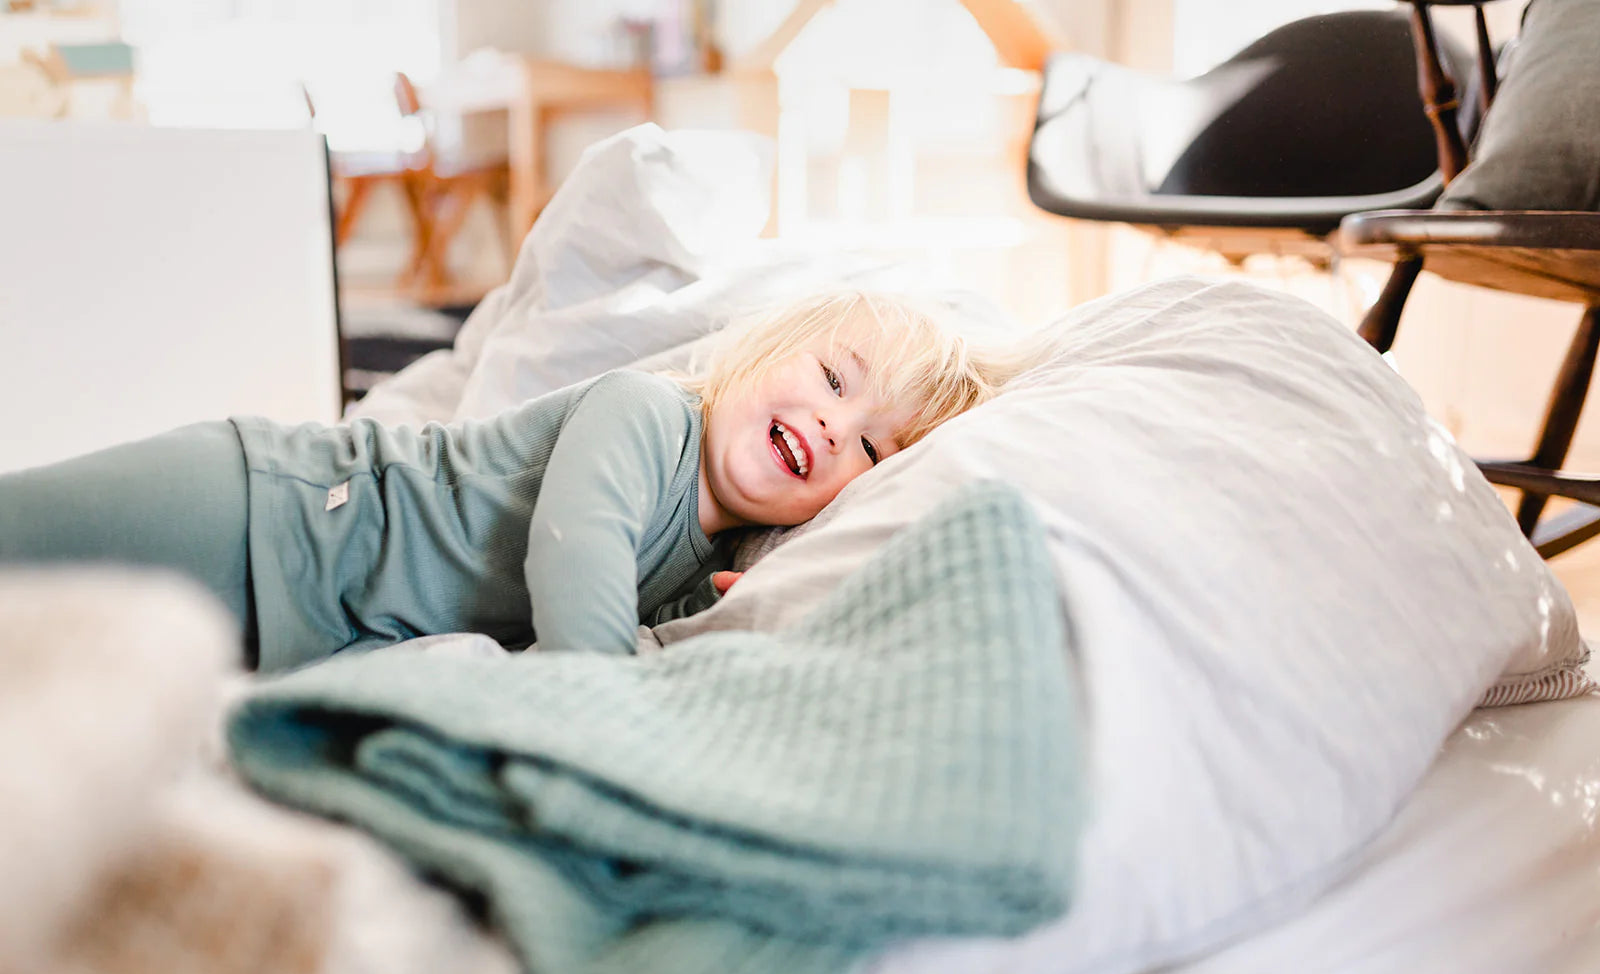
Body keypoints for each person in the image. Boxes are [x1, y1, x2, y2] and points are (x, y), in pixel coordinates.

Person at [0, 289, 1004, 672]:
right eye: (833, 378)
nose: (833, 425)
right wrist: (603, 706)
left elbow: (660, 630)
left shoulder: (702, 562)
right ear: (759, 351)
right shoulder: (643, 412)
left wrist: (729, 610)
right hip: (268, 506)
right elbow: (577, 552)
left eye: (873, 450)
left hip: (295, 622)